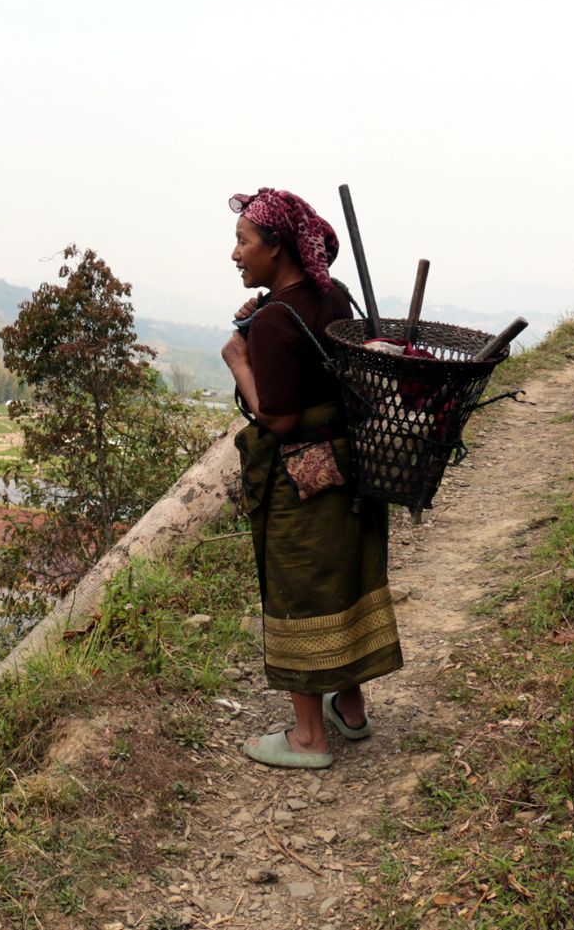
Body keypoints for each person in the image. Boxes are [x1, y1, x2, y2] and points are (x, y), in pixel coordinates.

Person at [220, 187, 403, 769]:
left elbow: (277, 416)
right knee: (345, 573)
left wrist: (240, 362)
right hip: (351, 463)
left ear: (276, 248)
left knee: (300, 585)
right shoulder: (334, 295)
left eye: (244, 242)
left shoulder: (276, 320)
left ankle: (308, 738)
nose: (235, 254)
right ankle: (349, 711)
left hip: (302, 471)